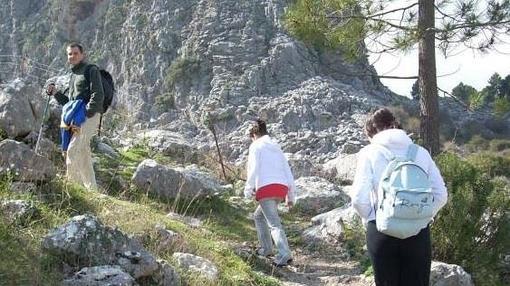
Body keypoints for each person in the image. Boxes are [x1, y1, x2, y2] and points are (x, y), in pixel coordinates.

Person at [350, 108, 448, 286]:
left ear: (371, 133)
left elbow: (358, 199)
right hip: (418, 232)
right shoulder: (420, 152)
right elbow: (441, 195)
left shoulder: (369, 153)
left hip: (381, 231)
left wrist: (373, 217)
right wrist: (421, 215)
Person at [46, 42, 104, 190]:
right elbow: (69, 103)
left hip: (88, 117)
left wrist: (87, 113)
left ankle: (73, 189)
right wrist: (55, 93)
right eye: (69, 54)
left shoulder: (91, 70)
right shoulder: (73, 74)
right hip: (75, 117)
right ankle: (92, 190)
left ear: (82, 55)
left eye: (75, 53)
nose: (72, 56)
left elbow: (98, 94)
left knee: (72, 150)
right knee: (82, 152)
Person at [244, 119, 296, 267]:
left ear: (254, 134)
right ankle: (266, 248)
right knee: (259, 216)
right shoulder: (276, 146)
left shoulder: (256, 146)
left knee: (274, 223)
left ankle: (284, 254)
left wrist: (248, 189)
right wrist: (290, 195)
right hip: (281, 188)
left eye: (250, 136)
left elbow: (252, 169)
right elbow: (287, 170)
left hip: (266, 188)